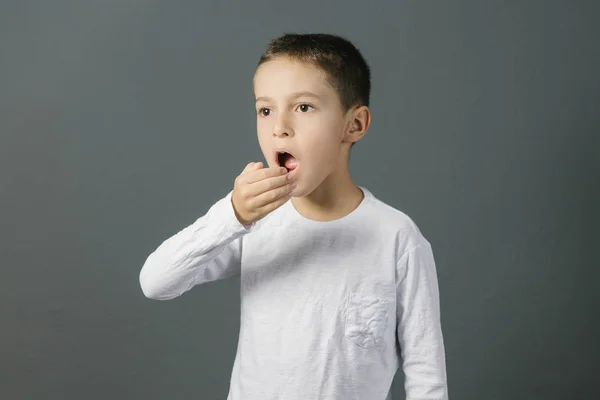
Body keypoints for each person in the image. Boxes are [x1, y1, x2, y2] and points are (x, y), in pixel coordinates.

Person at [139, 33, 449, 400]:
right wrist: (233, 214)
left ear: (355, 124)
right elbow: (156, 282)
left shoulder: (396, 237)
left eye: (303, 107)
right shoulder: (252, 224)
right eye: (265, 109)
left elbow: (426, 372)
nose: (279, 126)